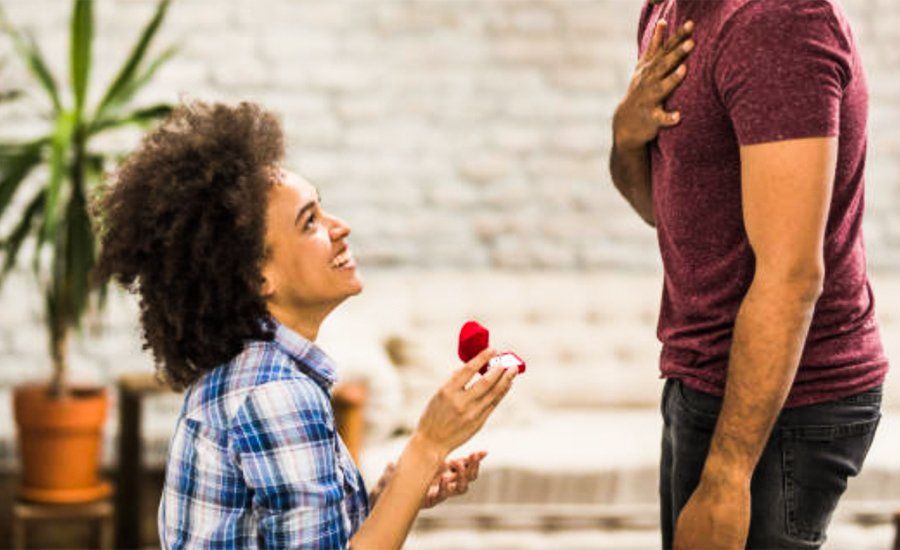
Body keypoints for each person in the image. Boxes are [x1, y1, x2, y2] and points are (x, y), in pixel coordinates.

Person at [93, 101, 518, 549]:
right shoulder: (276, 396)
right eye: (309, 221)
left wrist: (397, 494)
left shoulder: (254, 376)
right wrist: (427, 444)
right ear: (259, 276)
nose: (341, 227)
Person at [610, 0, 887, 548]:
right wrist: (625, 135)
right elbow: (662, 209)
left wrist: (727, 476)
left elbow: (790, 276)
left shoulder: (777, 20)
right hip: (702, 378)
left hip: (785, 403)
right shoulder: (669, 11)